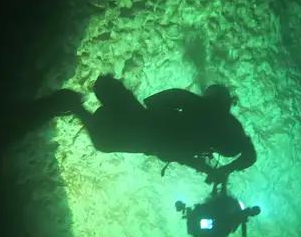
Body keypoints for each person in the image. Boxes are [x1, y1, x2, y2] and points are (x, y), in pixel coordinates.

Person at [52, 74, 256, 185]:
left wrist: (219, 170)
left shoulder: (217, 120)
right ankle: (90, 98)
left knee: (103, 140)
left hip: (151, 135)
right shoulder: (214, 117)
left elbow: (184, 153)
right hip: (151, 133)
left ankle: (89, 98)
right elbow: (183, 152)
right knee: (103, 140)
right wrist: (220, 170)